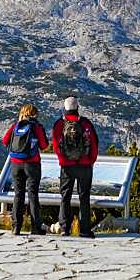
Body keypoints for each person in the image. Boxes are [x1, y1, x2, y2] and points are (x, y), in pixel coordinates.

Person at [52, 96, 99, 238]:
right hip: (84, 166)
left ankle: (65, 228)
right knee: (84, 197)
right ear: (77, 108)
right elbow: (94, 144)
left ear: (64, 109)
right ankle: (84, 230)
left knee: (65, 196)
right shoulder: (85, 123)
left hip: (67, 166)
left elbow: (55, 145)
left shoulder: (59, 124)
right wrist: (90, 160)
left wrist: (62, 159)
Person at [1, 104, 48, 235]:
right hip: (32, 164)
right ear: (34, 114)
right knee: (33, 195)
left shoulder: (16, 125)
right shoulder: (36, 127)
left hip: (16, 164)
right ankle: (35, 227)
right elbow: (44, 146)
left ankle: (16, 227)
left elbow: (5, 141)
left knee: (18, 195)